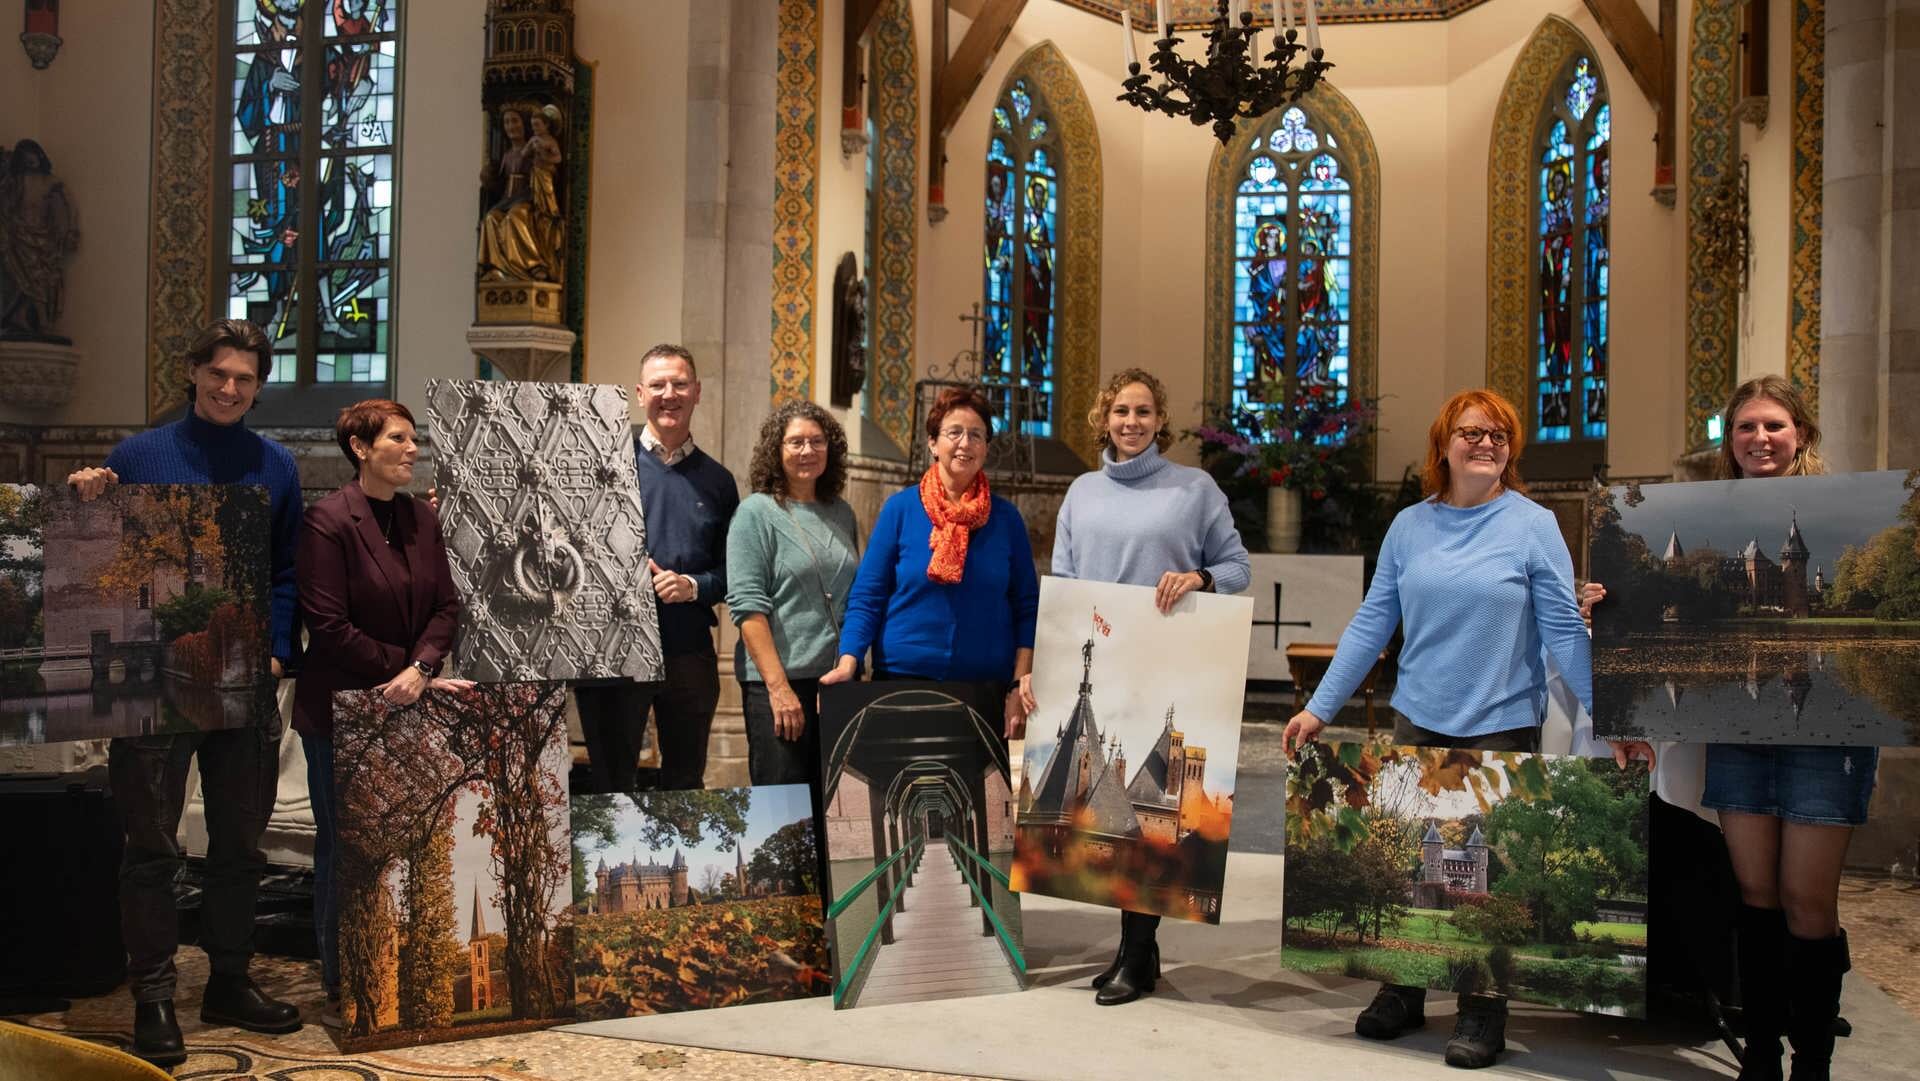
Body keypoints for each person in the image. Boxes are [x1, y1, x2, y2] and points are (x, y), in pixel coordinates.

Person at [1281, 388, 1593, 1071]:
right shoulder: (1410, 526)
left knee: (1490, 874)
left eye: (1499, 435)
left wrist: (1615, 715)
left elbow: (1564, 628)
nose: (1486, 444)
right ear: (1443, 445)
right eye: (1472, 432)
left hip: (1502, 723)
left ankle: (1484, 1004)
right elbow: (1372, 624)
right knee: (1408, 864)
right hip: (1417, 715)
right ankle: (1405, 985)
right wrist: (1320, 707)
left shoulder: (1534, 524)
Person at [1583, 375, 1868, 1081]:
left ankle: (1812, 1061)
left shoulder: (1851, 508)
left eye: (1774, 425)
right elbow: (1671, 604)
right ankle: (1762, 1055)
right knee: (1756, 895)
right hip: (1739, 731)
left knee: (1808, 899)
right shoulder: (1714, 519)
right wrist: (1612, 601)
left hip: (1826, 743)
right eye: (1746, 427)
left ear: (1801, 432)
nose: (1760, 439)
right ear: (1729, 439)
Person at [65, 319, 304, 1066]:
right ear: (194, 372)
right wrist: (87, 503)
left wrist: (272, 651)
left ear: (259, 385)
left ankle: (229, 979)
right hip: (154, 680)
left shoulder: (277, 466)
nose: (230, 388)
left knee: (238, 844)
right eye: (219, 374)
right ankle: (156, 998)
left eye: (245, 378)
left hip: (245, 680)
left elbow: (290, 572)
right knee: (152, 847)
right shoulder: (138, 456)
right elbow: (95, 563)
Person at [1051, 368, 1250, 1006]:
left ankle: (1135, 956)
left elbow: (1237, 567)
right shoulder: (1081, 492)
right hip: (1103, 663)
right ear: (1102, 419)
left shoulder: (1193, 489)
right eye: (1119, 412)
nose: (1131, 423)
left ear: (1159, 419)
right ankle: (1140, 950)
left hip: (1167, 662)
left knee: (1148, 809)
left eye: (1142, 412)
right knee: (1108, 803)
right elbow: (1063, 579)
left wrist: (1199, 577)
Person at [293, 399, 464, 1026]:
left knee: (406, 842)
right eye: (398, 438)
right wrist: (406, 668)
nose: (412, 449)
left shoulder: (422, 518)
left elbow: (447, 605)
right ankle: (343, 985)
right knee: (346, 849)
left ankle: (395, 976)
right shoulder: (327, 520)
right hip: (340, 709)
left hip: (409, 697)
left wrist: (420, 670)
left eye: (414, 438)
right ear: (361, 449)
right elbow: (328, 627)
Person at [820, 385, 1040, 736]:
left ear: (986, 447)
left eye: (976, 435)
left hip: (985, 691)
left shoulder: (1007, 519)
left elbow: (1027, 607)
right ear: (932, 443)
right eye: (954, 433)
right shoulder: (900, 510)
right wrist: (849, 661)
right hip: (901, 685)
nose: (965, 443)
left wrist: (1017, 684)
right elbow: (868, 596)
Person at [575, 344, 738, 792]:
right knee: (610, 784)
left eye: (680, 384)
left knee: (686, 783)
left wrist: (693, 585)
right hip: (610, 650)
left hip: (687, 651)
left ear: (697, 392)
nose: (671, 394)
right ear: (640, 393)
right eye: (660, 385)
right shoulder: (602, 467)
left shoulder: (719, 481)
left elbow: (733, 573)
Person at [726, 400, 859, 788]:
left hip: (836, 683)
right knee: (787, 807)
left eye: (817, 442)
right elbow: (747, 607)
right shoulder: (755, 513)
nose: (807, 451)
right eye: (795, 442)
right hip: (780, 685)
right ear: (776, 450)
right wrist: (780, 689)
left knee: (834, 809)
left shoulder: (842, 513)